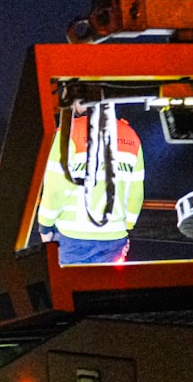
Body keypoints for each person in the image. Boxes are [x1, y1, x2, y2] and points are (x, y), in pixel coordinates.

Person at [37, 103, 145, 263]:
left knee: (70, 285)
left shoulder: (69, 133)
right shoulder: (131, 136)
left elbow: (55, 189)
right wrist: (127, 224)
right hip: (114, 237)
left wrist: (45, 227)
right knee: (106, 286)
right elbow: (136, 190)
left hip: (72, 237)